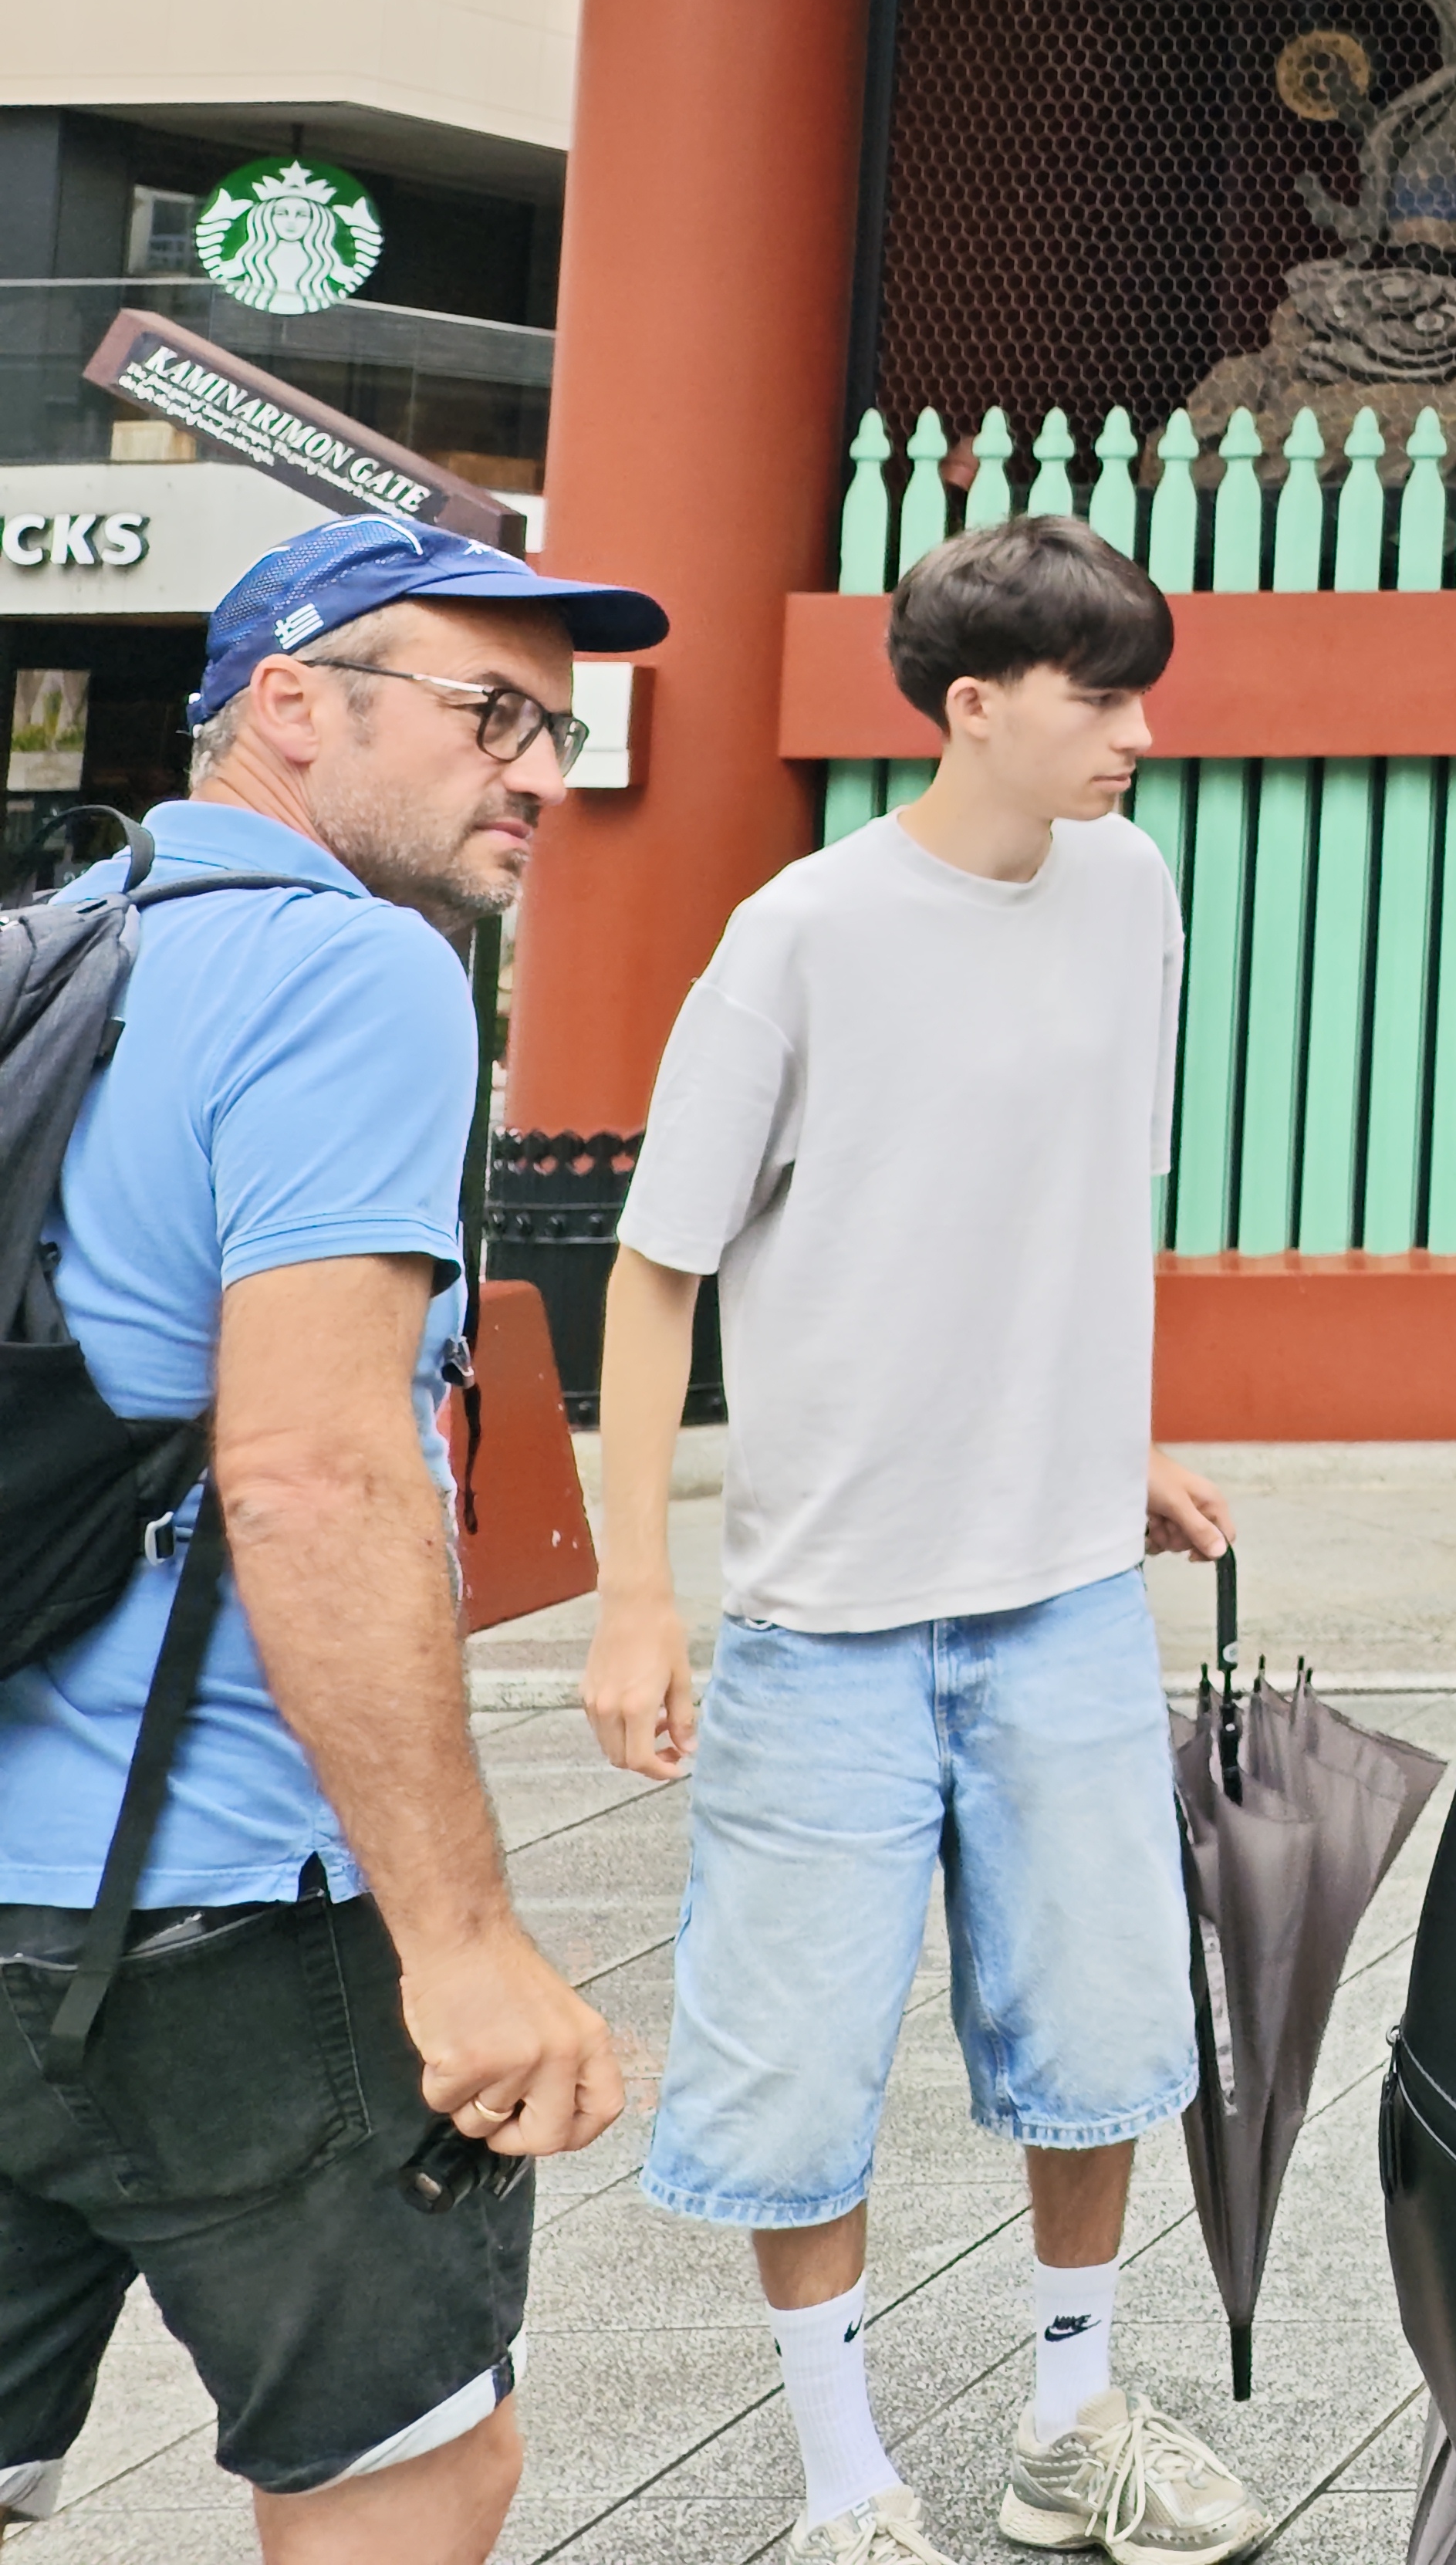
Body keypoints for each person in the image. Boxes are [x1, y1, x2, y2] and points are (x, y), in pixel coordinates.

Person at [589, 514, 1262, 2565]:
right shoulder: (801, 934)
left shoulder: (1132, 891)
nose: (1143, 732)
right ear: (972, 708)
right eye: (1104, 696)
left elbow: (1068, 1197)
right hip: (831, 1613)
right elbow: (651, 1270)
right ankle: (843, 2483)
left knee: (1104, 2029)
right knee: (794, 2070)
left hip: (1059, 1582)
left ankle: (1072, 2423)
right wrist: (637, 1594)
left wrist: (1108, 1441)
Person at [0, 517, 647, 2565]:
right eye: (488, 714)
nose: (537, 770)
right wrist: (462, 1948)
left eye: (554, 723)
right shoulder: (354, 968)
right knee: (407, 2473)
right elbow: (313, 1468)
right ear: (289, 705)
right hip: (221, 1925)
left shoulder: (50, 950)